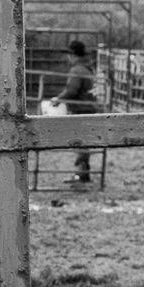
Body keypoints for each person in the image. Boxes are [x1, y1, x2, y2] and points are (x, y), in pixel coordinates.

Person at [50, 40, 101, 184]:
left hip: (81, 109)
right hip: (88, 107)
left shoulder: (77, 70)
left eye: (69, 54)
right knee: (83, 142)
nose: (67, 58)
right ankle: (83, 173)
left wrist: (58, 99)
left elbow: (72, 90)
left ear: (73, 54)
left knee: (81, 142)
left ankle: (81, 173)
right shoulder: (87, 68)